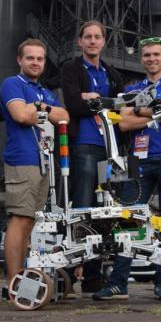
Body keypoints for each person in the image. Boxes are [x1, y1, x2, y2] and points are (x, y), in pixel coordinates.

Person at [92, 37, 161, 302]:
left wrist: (140, 110)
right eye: (146, 55)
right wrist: (153, 110)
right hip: (140, 160)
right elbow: (123, 123)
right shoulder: (133, 88)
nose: (151, 59)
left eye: (156, 54)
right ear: (142, 59)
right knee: (128, 220)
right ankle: (118, 283)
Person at [0, 39, 69, 295]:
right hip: (22, 159)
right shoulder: (12, 84)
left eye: (40, 59)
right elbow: (19, 115)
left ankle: (23, 282)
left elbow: (64, 117)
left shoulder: (45, 91)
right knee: (19, 219)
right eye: (30, 58)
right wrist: (44, 110)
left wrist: (40, 108)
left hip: (44, 162)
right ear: (20, 60)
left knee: (30, 222)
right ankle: (13, 283)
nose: (35, 62)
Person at [60, 21, 125, 293]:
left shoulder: (111, 72)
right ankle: (71, 268)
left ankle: (94, 274)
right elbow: (73, 103)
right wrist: (92, 101)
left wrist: (93, 99)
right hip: (84, 145)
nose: (93, 41)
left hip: (109, 149)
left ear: (103, 41)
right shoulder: (72, 68)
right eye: (88, 37)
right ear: (80, 41)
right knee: (83, 208)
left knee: (106, 211)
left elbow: (121, 104)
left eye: (97, 37)